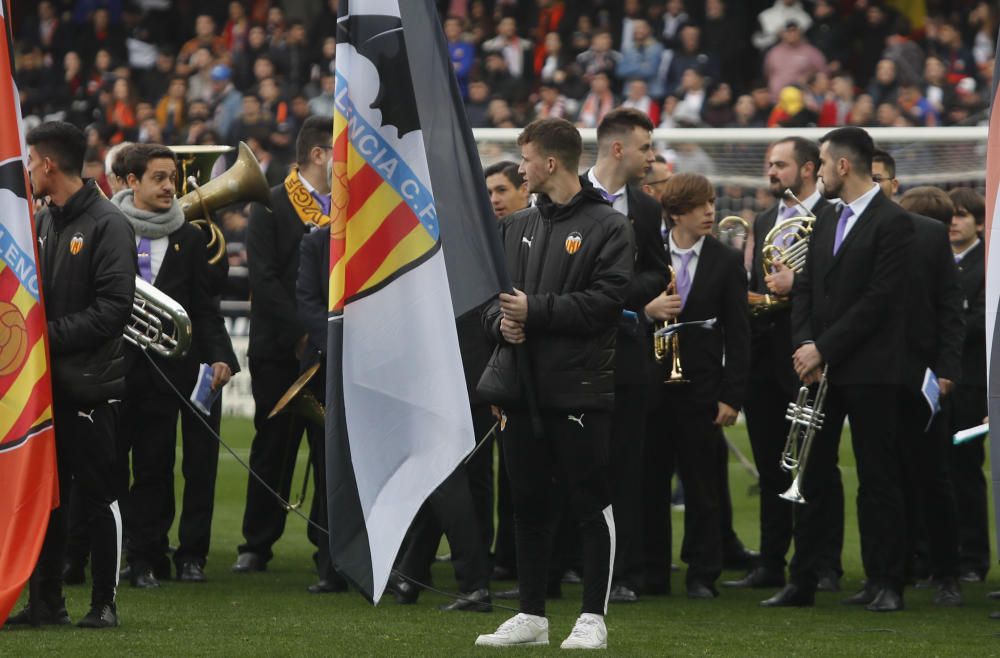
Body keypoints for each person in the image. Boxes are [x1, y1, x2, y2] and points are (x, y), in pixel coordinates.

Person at [475, 118, 633, 649]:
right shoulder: (514, 224)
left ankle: (593, 618)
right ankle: (532, 616)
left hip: (580, 389)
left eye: (524, 159)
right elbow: (486, 307)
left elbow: (609, 303)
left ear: (549, 163)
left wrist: (534, 311)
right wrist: (504, 323)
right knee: (528, 505)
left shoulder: (609, 226)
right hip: (520, 390)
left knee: (590, 502)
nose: (520, 168)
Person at [763, 127, 913, 611]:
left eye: (824, 163)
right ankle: (802, 579)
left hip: (871, 370)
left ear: (843, 166)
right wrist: (805, 345)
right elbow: (804, 288)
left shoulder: (894, 222)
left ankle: (885, 582)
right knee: (809, 475)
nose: (820, 171)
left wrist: (822, 348)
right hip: (819, 370)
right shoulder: (824, 216)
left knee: (878, 477)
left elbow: (879, 302)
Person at [9, 121, 135, 628]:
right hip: (45, 389)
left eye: (30, 160)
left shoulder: (108, 224)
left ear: (48, 165)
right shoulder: (42, 221)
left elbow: (113, 310)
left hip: (89, 389)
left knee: (101, 495)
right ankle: (46, 604)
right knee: (47, 496)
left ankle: (104, 603)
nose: (27, 169)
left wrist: (43, 339)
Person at [111, 143, 237, 587]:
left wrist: (221, 354)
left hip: (175, 370)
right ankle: (130, 551)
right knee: (115, 469)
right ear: (132, 183)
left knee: (162, 466)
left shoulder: (191, 236)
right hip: (118, 370)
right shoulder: (110, 228)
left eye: (172, 178)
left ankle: (170, 556)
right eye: (160, 178)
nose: (170, 187)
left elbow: (205, 307)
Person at [725, 137, 843, 592]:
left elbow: (838, 286)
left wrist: (798, 281)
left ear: (809, 169)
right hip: (764, 355)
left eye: (780, 165)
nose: (771, 172)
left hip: (810, 357)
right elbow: (761, 284)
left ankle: (824, 565)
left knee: (818, 466)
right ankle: (771, 561)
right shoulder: (766, 217)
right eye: (769, 164)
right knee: (771, 464)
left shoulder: (831, 215)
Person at [235, 116, 336, 590]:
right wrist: (301, 332)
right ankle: (256, 544)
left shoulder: (348, 208)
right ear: (319, 155)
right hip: (280, 349)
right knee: (272, 446)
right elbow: (264, 280)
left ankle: (329, 546)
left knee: (326, 449)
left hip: (331, 348)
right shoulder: (272, 204)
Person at [642, 173, 750, 600]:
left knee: (704, 486)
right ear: (675, 212)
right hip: (652, 387)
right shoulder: (647, 255)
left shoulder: (725, 260)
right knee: (650, 485)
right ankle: (652, 570)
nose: (710, 211)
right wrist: (648, 309)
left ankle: (703, 571)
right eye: (700, 205)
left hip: (703, 391)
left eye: (711, 203)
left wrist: (732, 395)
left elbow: (739, 335)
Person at [584, 108, 670, 604]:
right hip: (574, 356)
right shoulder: (566, 195)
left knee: (625, 469)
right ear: (619, 148)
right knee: (571, 465)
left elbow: (657, 274)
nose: (652, 157)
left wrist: (607, 295)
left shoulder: (647, 207)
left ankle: (621, 572)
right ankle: (566, 565)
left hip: (629, 361)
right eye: (646, 147)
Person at [892, 181, 964, 606]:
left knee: (931, 479)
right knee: (898, 478)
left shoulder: (935, 256)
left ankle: (943, 569)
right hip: (897, 375)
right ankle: (909, 568)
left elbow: (949, 312)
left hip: (926, 380)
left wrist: (946, 372)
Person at [481, 160, 531, 583]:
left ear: (524, 190)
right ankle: (501, 555)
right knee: (502, 471)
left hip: (538, 368)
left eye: (501, 190)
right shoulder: (489, 239)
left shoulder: (535, 235)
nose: (494, 199)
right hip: (495, 367)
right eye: (490, 192)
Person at [946, 187, 990, 583]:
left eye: (961, 215)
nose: (954, 222)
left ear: (979, 221)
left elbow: (976, 322)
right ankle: (938, 554)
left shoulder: (987, 265)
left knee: (965, 469)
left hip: (971, 383)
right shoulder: (937, 260)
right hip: (938, 381)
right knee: (934, 468)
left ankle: (974, 558)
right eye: (950, 215)